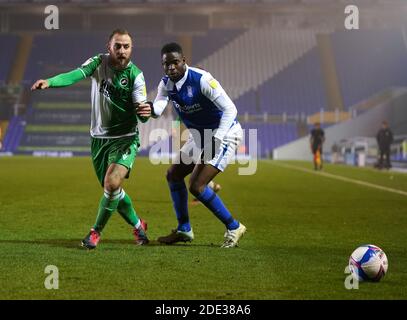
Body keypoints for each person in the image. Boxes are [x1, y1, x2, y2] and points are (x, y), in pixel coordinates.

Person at [31, 29, 152, 249]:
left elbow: (141, 112)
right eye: (118, 46)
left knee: (112, 182)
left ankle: (95, 233)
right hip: (98, 140)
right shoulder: (98, 63)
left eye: (126, 46)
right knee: (113, 190)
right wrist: (51, 82)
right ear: (109, 47)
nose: (122, 50)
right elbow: (75, 74)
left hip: (124, 139)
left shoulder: (136, 76)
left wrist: (144, 114)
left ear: (132, 48)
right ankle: (138, 225)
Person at [139, 42, 246, 248]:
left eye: (175, 62)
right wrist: (150, 109)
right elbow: (160, 106)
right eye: (166, 64)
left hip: (224, 133)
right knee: (174, 174)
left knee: (197, 186)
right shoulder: (166, 84)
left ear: (183, 62)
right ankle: (184, 229)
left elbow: (230, 109)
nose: (171, 67)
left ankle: (234, 227)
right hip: (198, 135)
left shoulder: (202, 79)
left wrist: (217, 139)